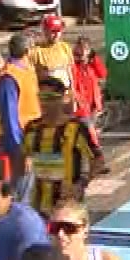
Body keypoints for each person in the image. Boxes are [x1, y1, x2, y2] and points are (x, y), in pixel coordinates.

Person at [23, 77, 104, 215]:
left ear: (61, 99)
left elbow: (98, 161)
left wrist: (81, 184)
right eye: (41, 97)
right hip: (38, 209)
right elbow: (22, 162)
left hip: (68, 208)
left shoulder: (76, 128)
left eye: (49, 97)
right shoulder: (32, 129)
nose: (44, 103)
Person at [0, 35, 43, 203]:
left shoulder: (27, 70)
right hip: (21, 143)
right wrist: (21, 151)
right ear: (27, 51)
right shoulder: (9, 78)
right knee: (21, 190)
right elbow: (10, 118)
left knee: (32, 189)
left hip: (33, 137)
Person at [29, 14, 74, 89]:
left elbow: (69, 71)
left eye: (58, 30)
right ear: (45, 31)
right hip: (48, 94)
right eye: (53, 31)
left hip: (65, 92)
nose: (56, 34)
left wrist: (72, 89)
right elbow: (31, 76)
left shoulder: (65, 47)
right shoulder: (36, 51)